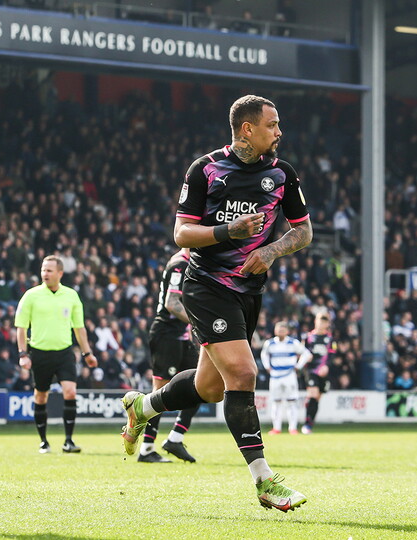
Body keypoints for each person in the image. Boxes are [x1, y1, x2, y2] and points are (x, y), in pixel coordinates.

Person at [120, 95, 312, 512]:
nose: (279, 132)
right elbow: (182, 234)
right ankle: (264, 481)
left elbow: (303, 231)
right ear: (247, 128)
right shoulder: (206, 169)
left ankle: (144, 405)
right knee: (243, 373)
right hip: (206, 286)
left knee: (209, 388)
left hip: (249, 292)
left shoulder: (282, 173)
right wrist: (229, 231)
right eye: (272, 125)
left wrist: (273, 250)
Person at [15, 255, 96, 454]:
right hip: (40, 353)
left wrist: (87, 353)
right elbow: (21, 327)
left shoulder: (71, 295)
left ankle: (68, 440)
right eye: (43, 270)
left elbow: (79, 328)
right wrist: (23, 353)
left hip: (64, 353)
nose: (45, 274)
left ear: (60, 273)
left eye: (49, 270)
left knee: (70, 392)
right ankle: (43, 441)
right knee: (41, 396)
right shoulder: (31, 295)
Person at [138, 248, 200, 463]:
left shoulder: (193, 263)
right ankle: (146, 448)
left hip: (181, 337)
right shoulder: (179, 264)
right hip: (166, 334)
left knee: (199, 386)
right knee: (161, 391)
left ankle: (175, 438)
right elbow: (172, 304)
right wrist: (197, 323)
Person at [261, 321, 311, 434]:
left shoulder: (293, 342)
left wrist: (298, 366)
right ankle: (276, 428)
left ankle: (292, 428)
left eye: (283, 330)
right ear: (275, 331)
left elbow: (306, 353)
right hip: (275, 376)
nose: (280, 332)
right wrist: (267, 367)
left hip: (289, 375)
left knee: (291, 401)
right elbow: (264, 355)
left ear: (287, 331)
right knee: (276, 402)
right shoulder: (270, 343)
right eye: (279, 329)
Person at [301, 312, 335, 434]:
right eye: (319, 321)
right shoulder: (308, 337)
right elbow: (301, 352)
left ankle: (310, 422)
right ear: (315, 321)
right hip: (311, 370)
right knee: (313, 394)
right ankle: (307, 425)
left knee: (317, 398)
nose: (321, 324)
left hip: (323, 371)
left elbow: (331, 354)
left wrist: (326, 366)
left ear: (327, 324)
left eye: (324, 321)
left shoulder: (330, 338)